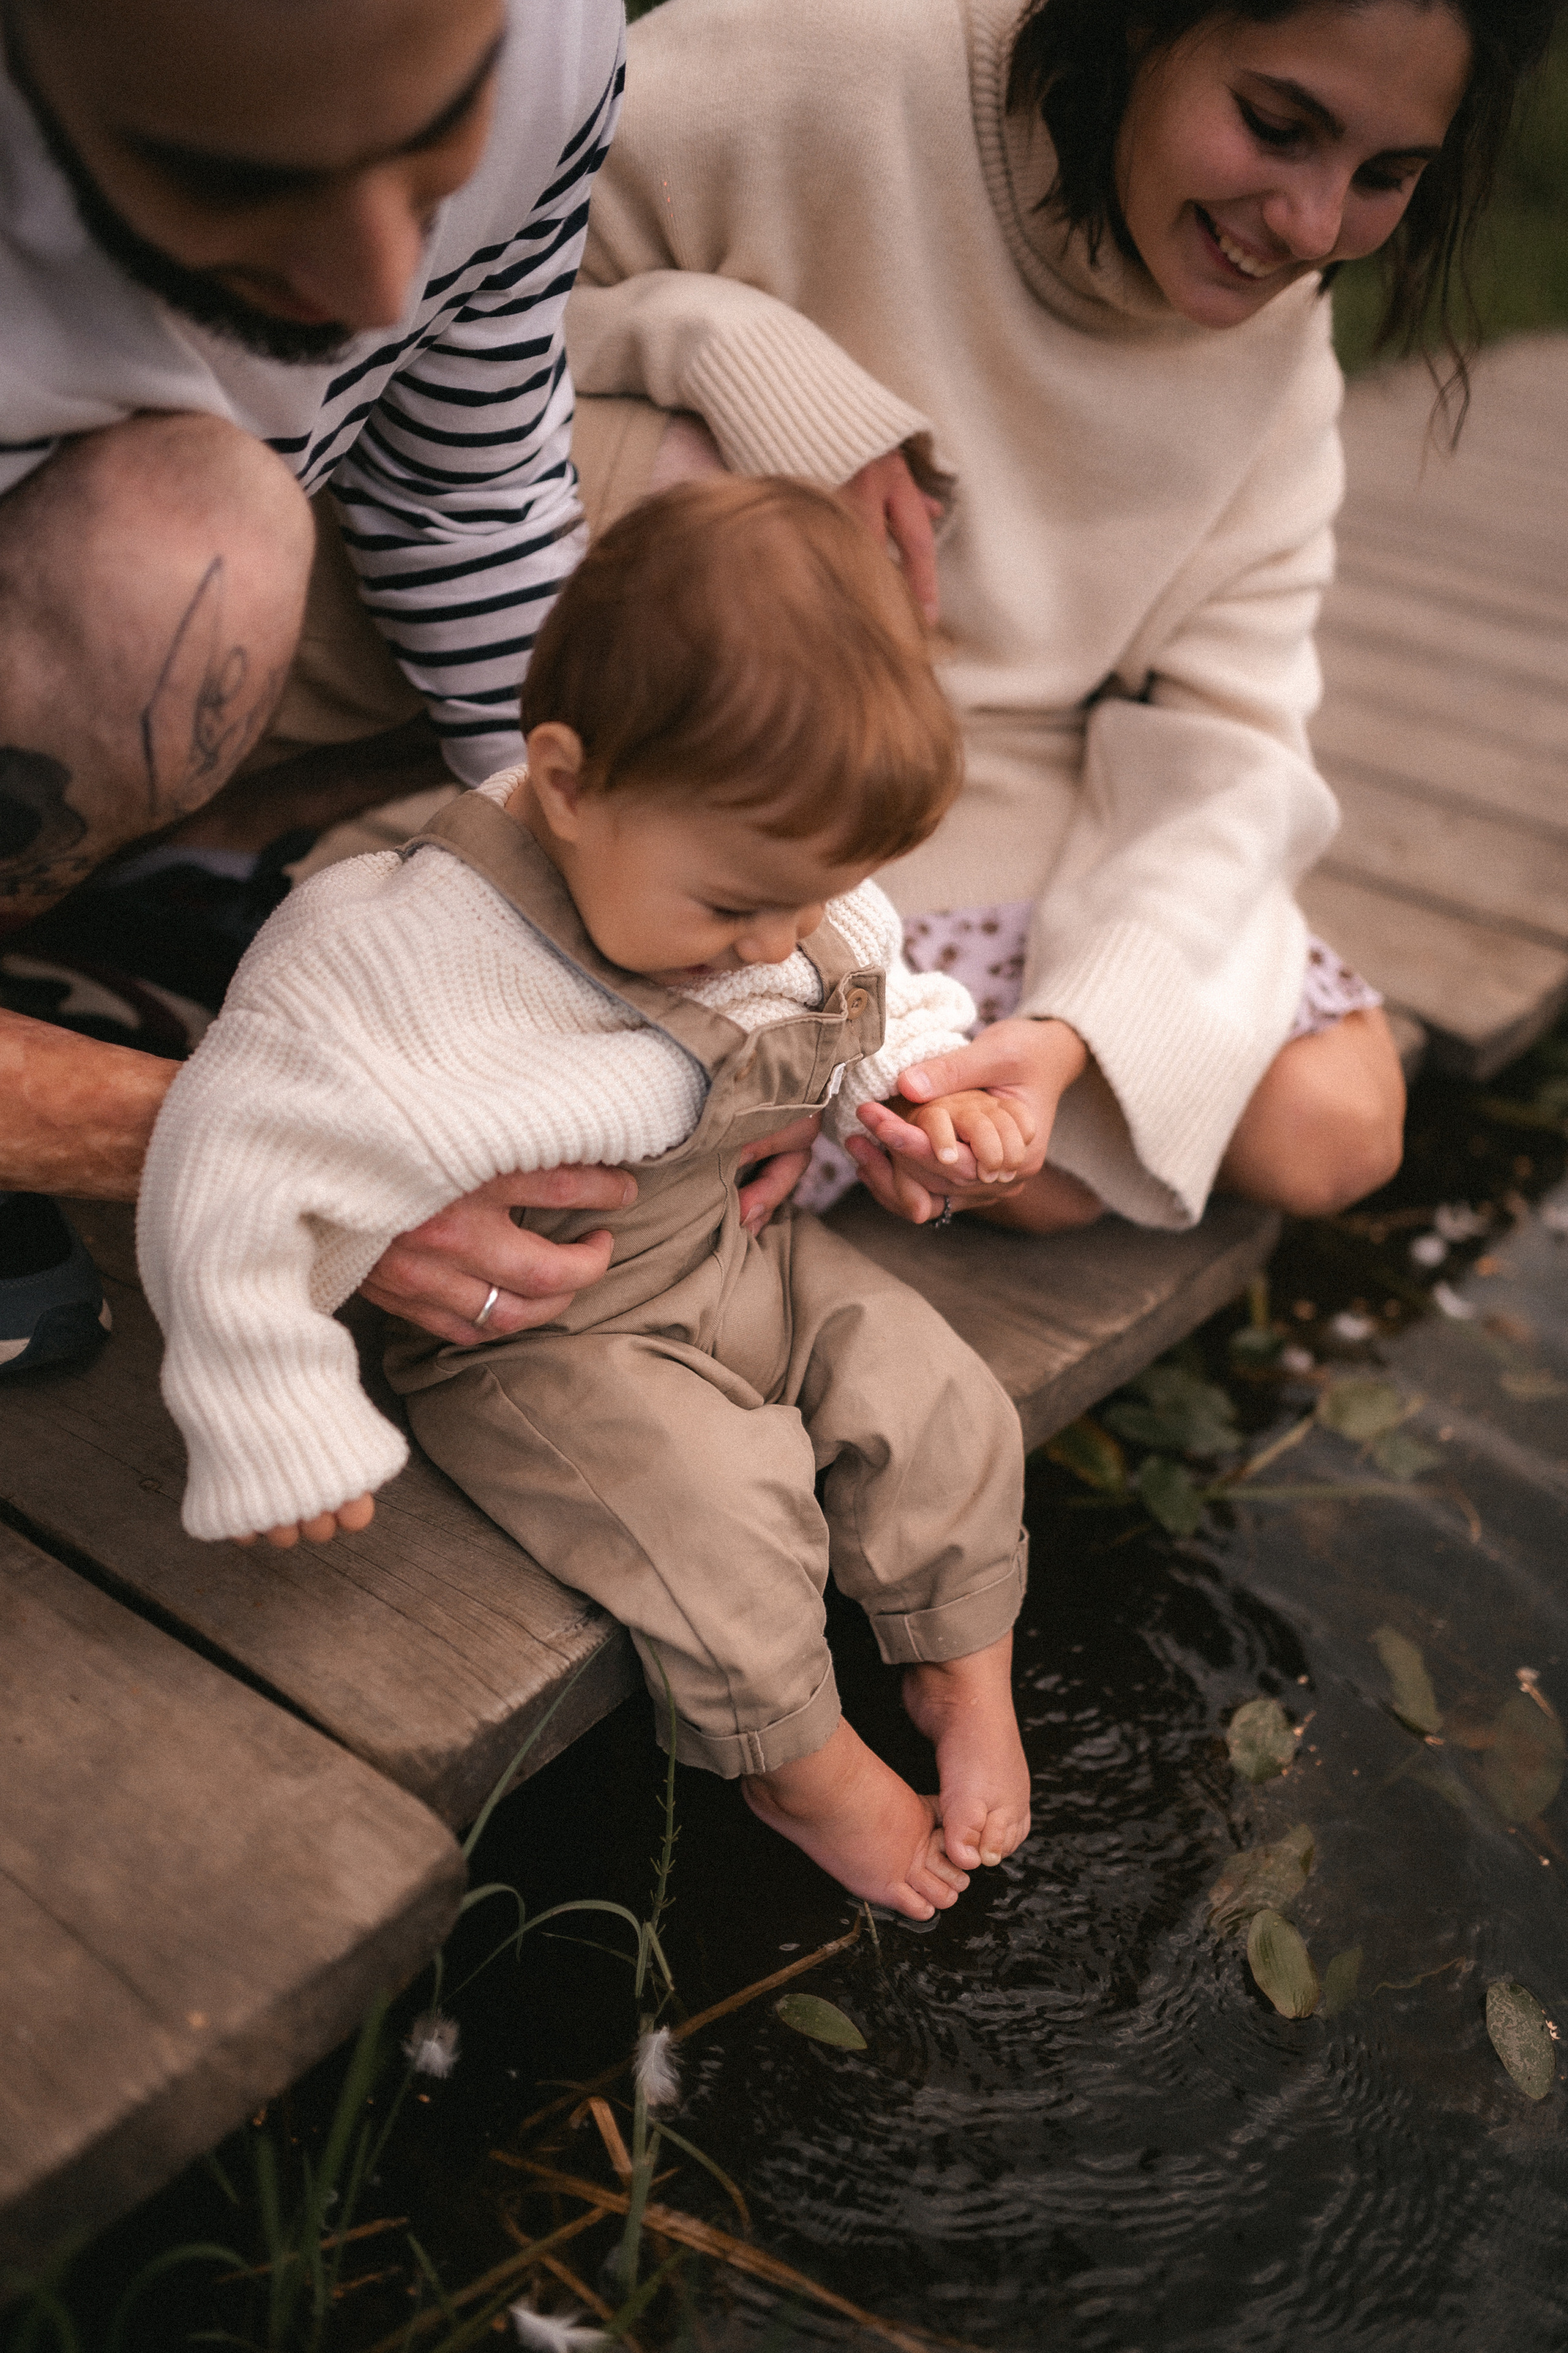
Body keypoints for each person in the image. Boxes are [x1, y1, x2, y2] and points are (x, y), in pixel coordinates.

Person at [138, 480, 1036, 1921]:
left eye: (802, 902)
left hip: (734, 1253)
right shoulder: (404, 952)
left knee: (936, 1390)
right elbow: (228, 1142)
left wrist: (937, 1093)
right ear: (563, 782)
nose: (766, 942)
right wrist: (268, 1395)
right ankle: (795, 1762)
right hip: (547, 1335)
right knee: (718, 1508)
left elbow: (873, 986)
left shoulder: (767, 878)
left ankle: (955, 1653)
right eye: (735, 907)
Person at [565, 0, 1554, 1238]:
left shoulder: (1278, 338)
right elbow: (445, 306)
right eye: (1275, 125)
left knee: (1335, 1119)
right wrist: (719, 346)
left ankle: (849, 1100)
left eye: (1385, 175)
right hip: (687, 763)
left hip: (986, 786)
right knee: (705, 493)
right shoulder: (831, 61)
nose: (1308, 227)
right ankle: (769, 1066)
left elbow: (1237, 735)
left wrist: (1075, 1033)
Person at [0, 0, 821, 1378]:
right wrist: (277, 1149)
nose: (383, 287)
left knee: (695, 547)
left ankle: (112, 910)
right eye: (239, 177)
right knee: (181, 562)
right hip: (118, 569)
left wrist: (711, 949)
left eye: (440, 149)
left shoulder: (552, 35)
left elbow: (470, 482)